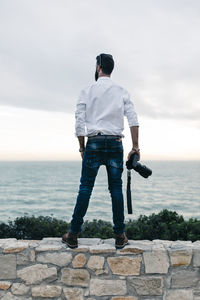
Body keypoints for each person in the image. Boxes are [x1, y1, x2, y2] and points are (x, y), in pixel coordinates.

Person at [62, 53, 140, 249]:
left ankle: (73, 234)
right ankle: (120, 235)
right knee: (115, 189)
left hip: (94, 142)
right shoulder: (121, 91)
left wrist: (82, 146)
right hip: (115, 143)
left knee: (85, 188)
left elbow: (79, 123)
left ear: (98, 68)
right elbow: (133, 119)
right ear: (110, 69)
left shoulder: (86, 90)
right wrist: (135, 147)